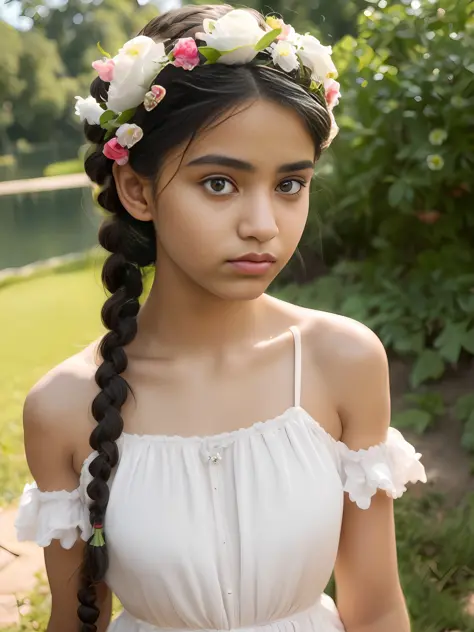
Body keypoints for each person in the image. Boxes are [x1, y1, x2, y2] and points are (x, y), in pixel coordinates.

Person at [14, 4, 427, 632]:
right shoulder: (64, 408)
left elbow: (374, 608)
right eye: (219, 184)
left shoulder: (342, 361)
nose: (263, 225)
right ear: (138, 191)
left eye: (290, 184)